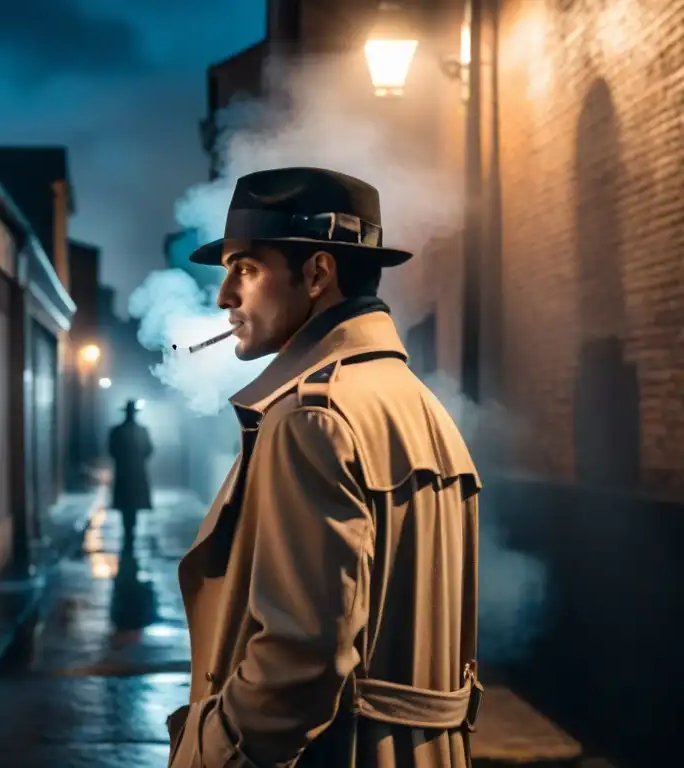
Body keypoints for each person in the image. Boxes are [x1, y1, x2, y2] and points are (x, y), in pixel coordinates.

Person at [166, 168, 483, 768]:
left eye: (247, 269)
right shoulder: (420, 406)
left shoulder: (312, 418)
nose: (224, 296)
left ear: (316, 273)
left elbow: (299, 661)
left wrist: (211, 756)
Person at [108, 399, 153, 551]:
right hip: (136, 473)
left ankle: (128, 532)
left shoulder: (117, 431)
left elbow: (111, 451)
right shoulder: (141, 431)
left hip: (124, 473)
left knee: (127, 506)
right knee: (132, 505)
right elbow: (149, 450)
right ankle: (130, 532)